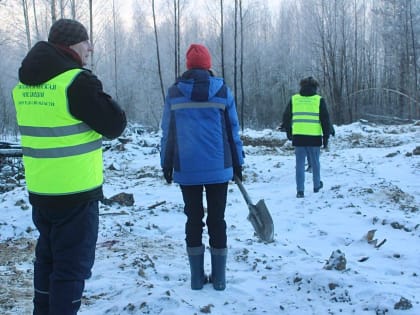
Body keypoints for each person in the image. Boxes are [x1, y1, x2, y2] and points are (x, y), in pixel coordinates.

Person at [12, 19, 126, 315]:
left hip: (41, 191)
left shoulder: (26, 83)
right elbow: (115, 124)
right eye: (87, 42)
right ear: (73, 44)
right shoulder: (76, 82)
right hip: (76, 195)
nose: (90, 47)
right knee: (71, 270)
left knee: (47, 262)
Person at [160, 44, 244, 291]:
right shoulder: (222, 91)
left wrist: (166, 163)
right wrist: (238, 163)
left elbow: (168, 133)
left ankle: (196, 279)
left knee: (193, 219)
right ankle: (219, 280)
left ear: (188, 66)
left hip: (187, 168)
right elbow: (233, 132)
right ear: (208, 65)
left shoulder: (175, 93)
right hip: (219, 168)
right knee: (217, 219)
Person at [281, 76, 332, 198]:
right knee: (315, 163)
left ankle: (300, 190)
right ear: (315, 87)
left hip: (298, 137)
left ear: (301, 86)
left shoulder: (294, 99)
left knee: (299, 164)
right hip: (314, 137)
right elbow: (325, 120)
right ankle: (316, 186)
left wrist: (289, 131)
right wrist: (326, 137)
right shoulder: (319, 100)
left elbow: (286, 117)